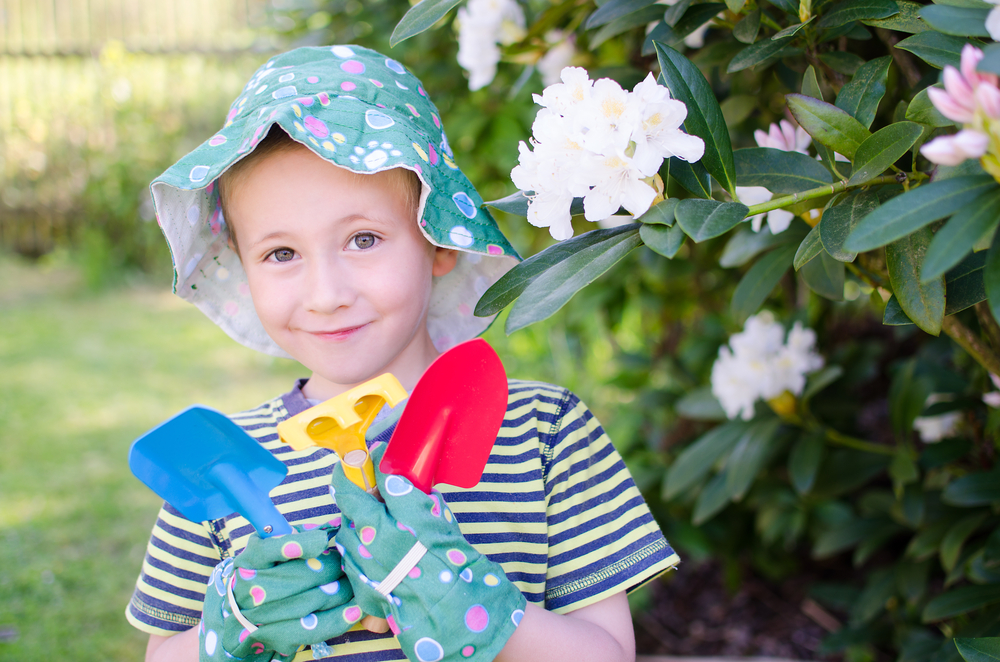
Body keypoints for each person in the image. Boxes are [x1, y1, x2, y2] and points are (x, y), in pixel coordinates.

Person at [126, 45, 679, 662]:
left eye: (363, 239)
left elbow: (609, 654)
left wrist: (489, 616)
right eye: (281, 254)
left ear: (439, 238)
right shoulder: (220, 466)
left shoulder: (544, 434)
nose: (326, 294)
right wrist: (227, 631)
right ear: (242, 265)